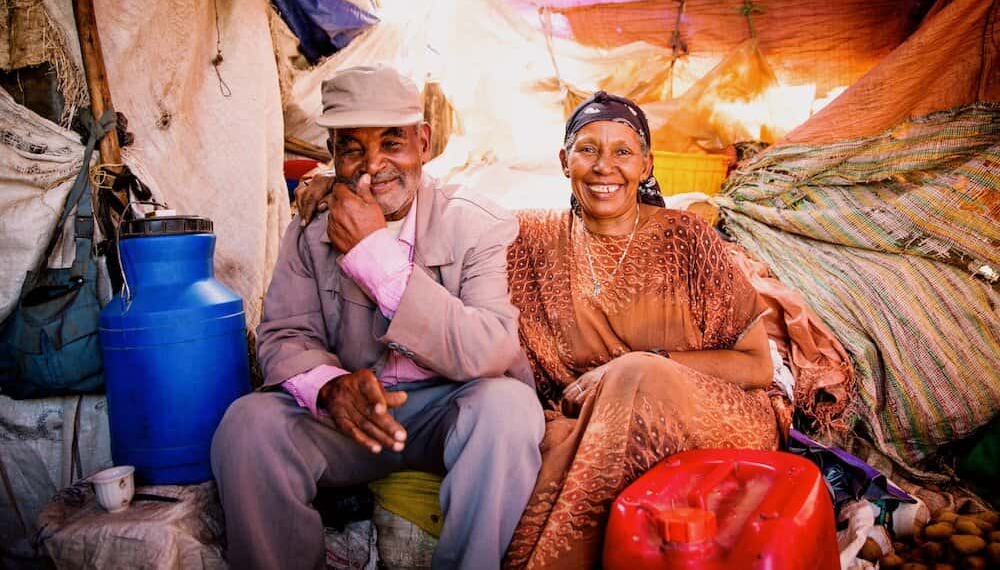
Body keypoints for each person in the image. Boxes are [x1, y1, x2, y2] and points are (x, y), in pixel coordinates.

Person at [211, 65, 544, 570]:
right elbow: (283, 335)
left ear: (424, 143)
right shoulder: (309, 229)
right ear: (333, 156)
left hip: (445, 410)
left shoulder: (475, 222)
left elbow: (490, 348)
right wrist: (328, 387)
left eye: (392, 143)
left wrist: (372, 252)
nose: (374, 165)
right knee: (247, 427)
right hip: (351, 419)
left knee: (508, 410)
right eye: (353, 148)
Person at [502, 91, 788, 569]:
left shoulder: (687, 237)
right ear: (563, 160)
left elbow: (758, 365)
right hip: (593, 424)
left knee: (638, 378)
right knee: (550, 441)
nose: (604, 167)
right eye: (588, 149)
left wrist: (640, 367)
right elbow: (436, 220)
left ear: (646, 164)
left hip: (717, 415)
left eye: (622, 152)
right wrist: (331, 190)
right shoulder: (530, 238)